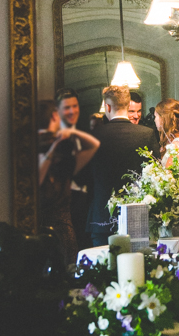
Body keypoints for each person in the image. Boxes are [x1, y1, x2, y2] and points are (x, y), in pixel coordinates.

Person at [86, 85, 158, 245]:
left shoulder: (93, 136)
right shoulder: (147, 134)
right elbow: (154, 175)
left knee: (104, 267)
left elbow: (87, 178)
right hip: (137, 215)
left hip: (101, 216)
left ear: (107, 107)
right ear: (127, 106)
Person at [38, 99, 100, 264]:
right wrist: (53, 148)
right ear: (54, 116)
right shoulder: (37, 147)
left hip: (64, 228)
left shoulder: (63, 151)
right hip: (45, 228)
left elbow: (94, 145)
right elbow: (38, 179)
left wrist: (72, 133)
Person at [55, 87, 91, 252]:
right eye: (67, 107)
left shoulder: (76, 133)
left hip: (78, 203)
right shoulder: (54, 135)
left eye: (75, 106)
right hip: (60, 204)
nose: (72, 111)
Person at [154, 98, 179, 166]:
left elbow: (170, 174)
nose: (154, 120)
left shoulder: (176, 144)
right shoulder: (175, 139)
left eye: (155, 116)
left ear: (163, 118)